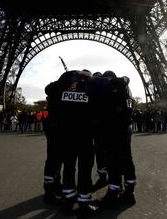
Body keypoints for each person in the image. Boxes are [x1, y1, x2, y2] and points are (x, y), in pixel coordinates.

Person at [46, 70, 98, 215]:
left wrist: (68, 77)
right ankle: (83, 202)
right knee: (85, 169)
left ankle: (68, 200)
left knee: (68, 167)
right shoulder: (91, 87)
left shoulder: (62, 88)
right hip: (85, 136)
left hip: (66, 136)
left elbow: (49, 90)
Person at [99, 70, 137, 208]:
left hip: (114, 131)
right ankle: (129, 191)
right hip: (126, 129)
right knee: (127, 160)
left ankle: (114, 191)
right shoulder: (127, 90)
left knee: (112, 160)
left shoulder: (112, 89)